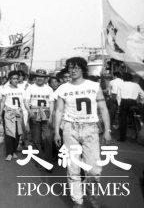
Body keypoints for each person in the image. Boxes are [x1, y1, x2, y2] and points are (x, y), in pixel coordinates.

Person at [54, 57, 111, 208]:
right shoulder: (63, 88)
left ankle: (92, 194)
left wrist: (107, 129)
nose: (73, 70)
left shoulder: (94, 86)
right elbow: (59, 110)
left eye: (77, 67)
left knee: (94, 169)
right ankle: (77, 201)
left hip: (90, 128)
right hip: (69, 128)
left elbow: (103, 108)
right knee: (73, 167)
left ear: (83, 69)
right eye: (70, 68)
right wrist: (56, 132)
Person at [25, 69, 55, 166]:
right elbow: (26, 102)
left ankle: (48, 160)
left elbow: (51, 103)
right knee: (36, 139)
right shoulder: (30, 88)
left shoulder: (49, 89)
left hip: (46, 114)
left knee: (47, 138)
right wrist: (30, 112)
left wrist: (51, 116)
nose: (40, 78)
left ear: (45, 78)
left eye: (42, 76)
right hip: (34, 114)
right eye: (38, 76)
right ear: (35, 77)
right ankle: (39, 159)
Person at [0, 70, 29, 161]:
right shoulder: (5, 89)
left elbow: (25, 102)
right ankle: (9, 153)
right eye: (14, 78)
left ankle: (14, 151)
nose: (16, 80)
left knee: (18, 133)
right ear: (10, 80)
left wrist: (29, 111)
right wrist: (0, 114)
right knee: (9, 133)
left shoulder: (22, 90)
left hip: (19, 113)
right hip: (8, 112)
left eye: (17, 78)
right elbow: (3, 102)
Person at [117, 72, 144, 141]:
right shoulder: (136, 85)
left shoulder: (121, 84)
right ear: (131, 78)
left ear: (123, 78)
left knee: (123, 120)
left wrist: (119, 105)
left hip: (124, 102)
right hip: (133, 102)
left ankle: (122, 138)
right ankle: (137, 133)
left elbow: (118, 96)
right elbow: (142, 94)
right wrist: (141, 101)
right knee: (134, 118)